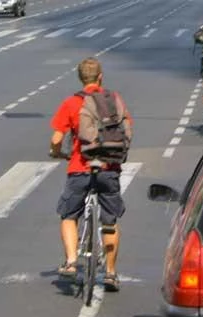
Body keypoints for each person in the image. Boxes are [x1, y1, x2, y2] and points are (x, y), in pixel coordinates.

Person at [48, 57, 131, 292]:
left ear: (80, 78)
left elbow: (56, 139)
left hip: (80, 168)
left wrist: (58, 153)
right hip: (109, 169)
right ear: (100, 77)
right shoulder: (114, 100)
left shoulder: (71, 103)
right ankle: (111, 274)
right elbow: (126, 129)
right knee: (110, 221)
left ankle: (72, 262)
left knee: (68, 214)